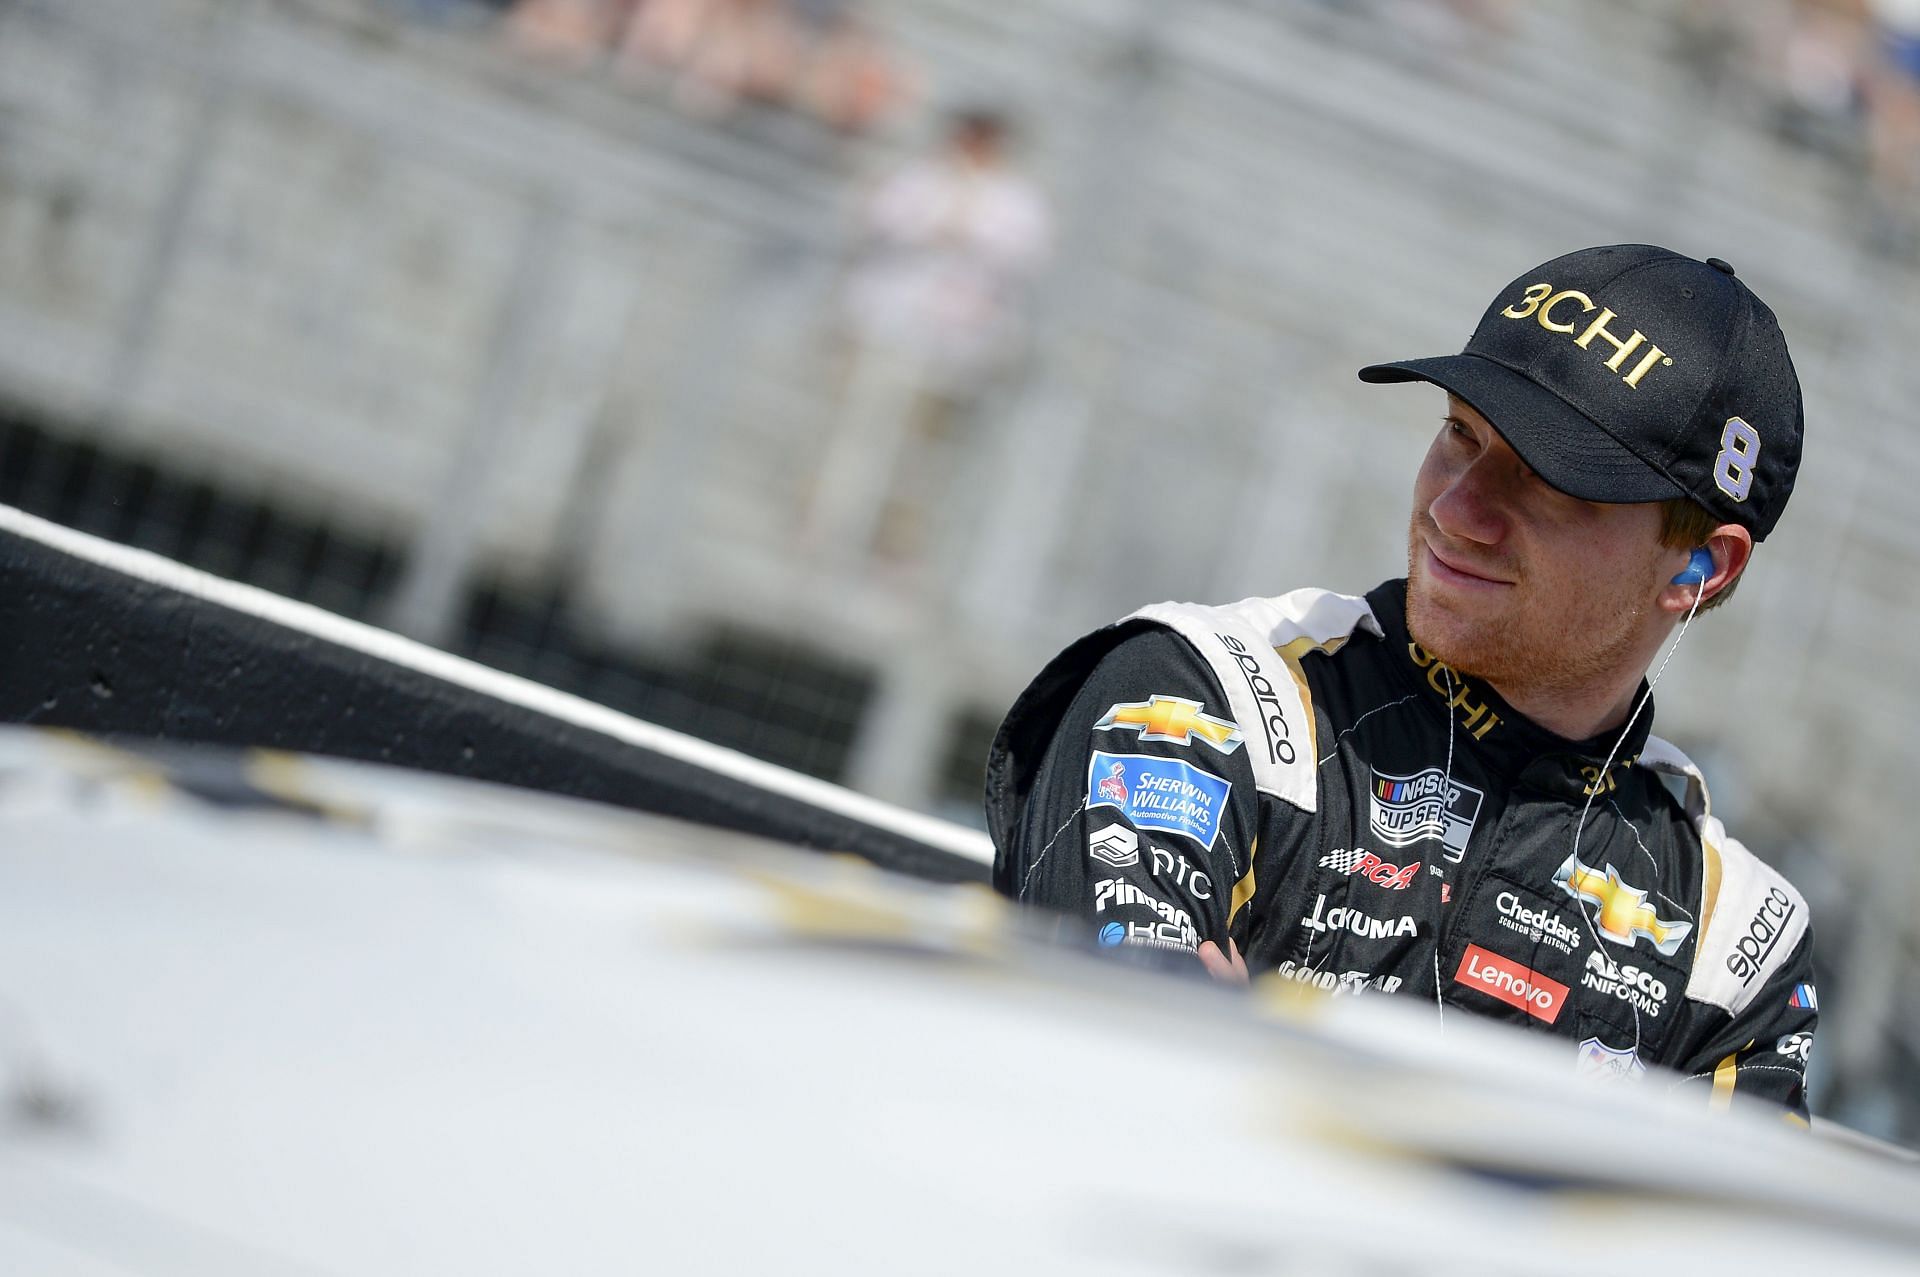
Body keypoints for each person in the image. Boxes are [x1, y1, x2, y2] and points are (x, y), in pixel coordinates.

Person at [984, 244, 1819, 1118]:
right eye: (1461, 431)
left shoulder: (1738, 944)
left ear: (1699, 567)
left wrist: (1250, 1055)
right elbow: (1109, 1094)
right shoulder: (1202, 697)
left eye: (1551, 480)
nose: (1456, 511)